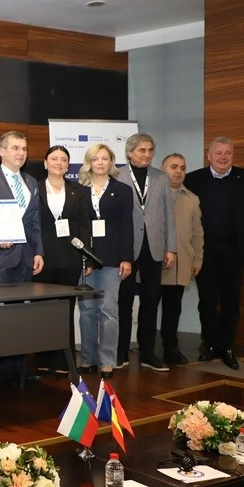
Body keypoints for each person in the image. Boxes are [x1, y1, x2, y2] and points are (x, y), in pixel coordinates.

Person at [184, 137, 244, 371]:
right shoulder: (193, 179)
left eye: (227, 153)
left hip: (235, 250)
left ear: (233, 155)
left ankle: (227, 346)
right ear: (209, 156)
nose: (223, 157)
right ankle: (210, 344)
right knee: (207, 300)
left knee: (231, 301)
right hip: (204, 250)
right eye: (218, 153)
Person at [0, 131, 44, 384]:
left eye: (24, 149)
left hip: (25, 258)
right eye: (15, 148)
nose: (21, 153)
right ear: (1, 151)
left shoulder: (32, 182)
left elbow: (35, 221)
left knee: (20, 315)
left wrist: (39, 252)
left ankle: (19, 370)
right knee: (1, 316)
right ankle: (3, 372)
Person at [116, 133, 175, 372]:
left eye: (150, 150)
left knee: (151, 301)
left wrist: (171, 247)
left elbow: (169, 215)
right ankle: (121, 352)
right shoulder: (117, 175)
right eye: (142, 150)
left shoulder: (161, 177)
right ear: (130, 152)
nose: (147, 154)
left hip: (154, 247)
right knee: (124, 301)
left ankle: (148, 353)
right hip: (126, 248)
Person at [32, 145, 92, 374]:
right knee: (42, 311)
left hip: (70, 258)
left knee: (65, 311)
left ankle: (63, 362)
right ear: (45, 163)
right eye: (54, 158)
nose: (58, 163)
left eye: (63, 159)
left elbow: (85, 226)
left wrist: (87, 258)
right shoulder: (34, 188)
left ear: (68, 165)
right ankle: (42, 360)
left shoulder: (79, 191)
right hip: (42, 258)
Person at [76, 143, 133, 379]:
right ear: (89, 163)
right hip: (86, 258)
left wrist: (127, 258)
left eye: (104, 158)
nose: (100, 162)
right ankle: (87, 358)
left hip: (112, 257)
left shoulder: (123, 190)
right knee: (87, 310)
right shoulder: (78, 190)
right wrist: (84, 257)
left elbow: (127, 226)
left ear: (111, 162)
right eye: (95, 158)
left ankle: (108, 360)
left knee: (109, 309)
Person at [158, 153, 204, 365]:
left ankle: (171, 349)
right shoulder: (151, 195)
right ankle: (146, 348)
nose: (178, 171)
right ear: (162, 169)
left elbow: (197, 234)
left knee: (172, 309)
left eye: (183, 168)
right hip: (154, 263)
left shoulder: (192, 199)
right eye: (173, 167)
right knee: (148, 308)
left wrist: (197, 261)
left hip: (179, 265)